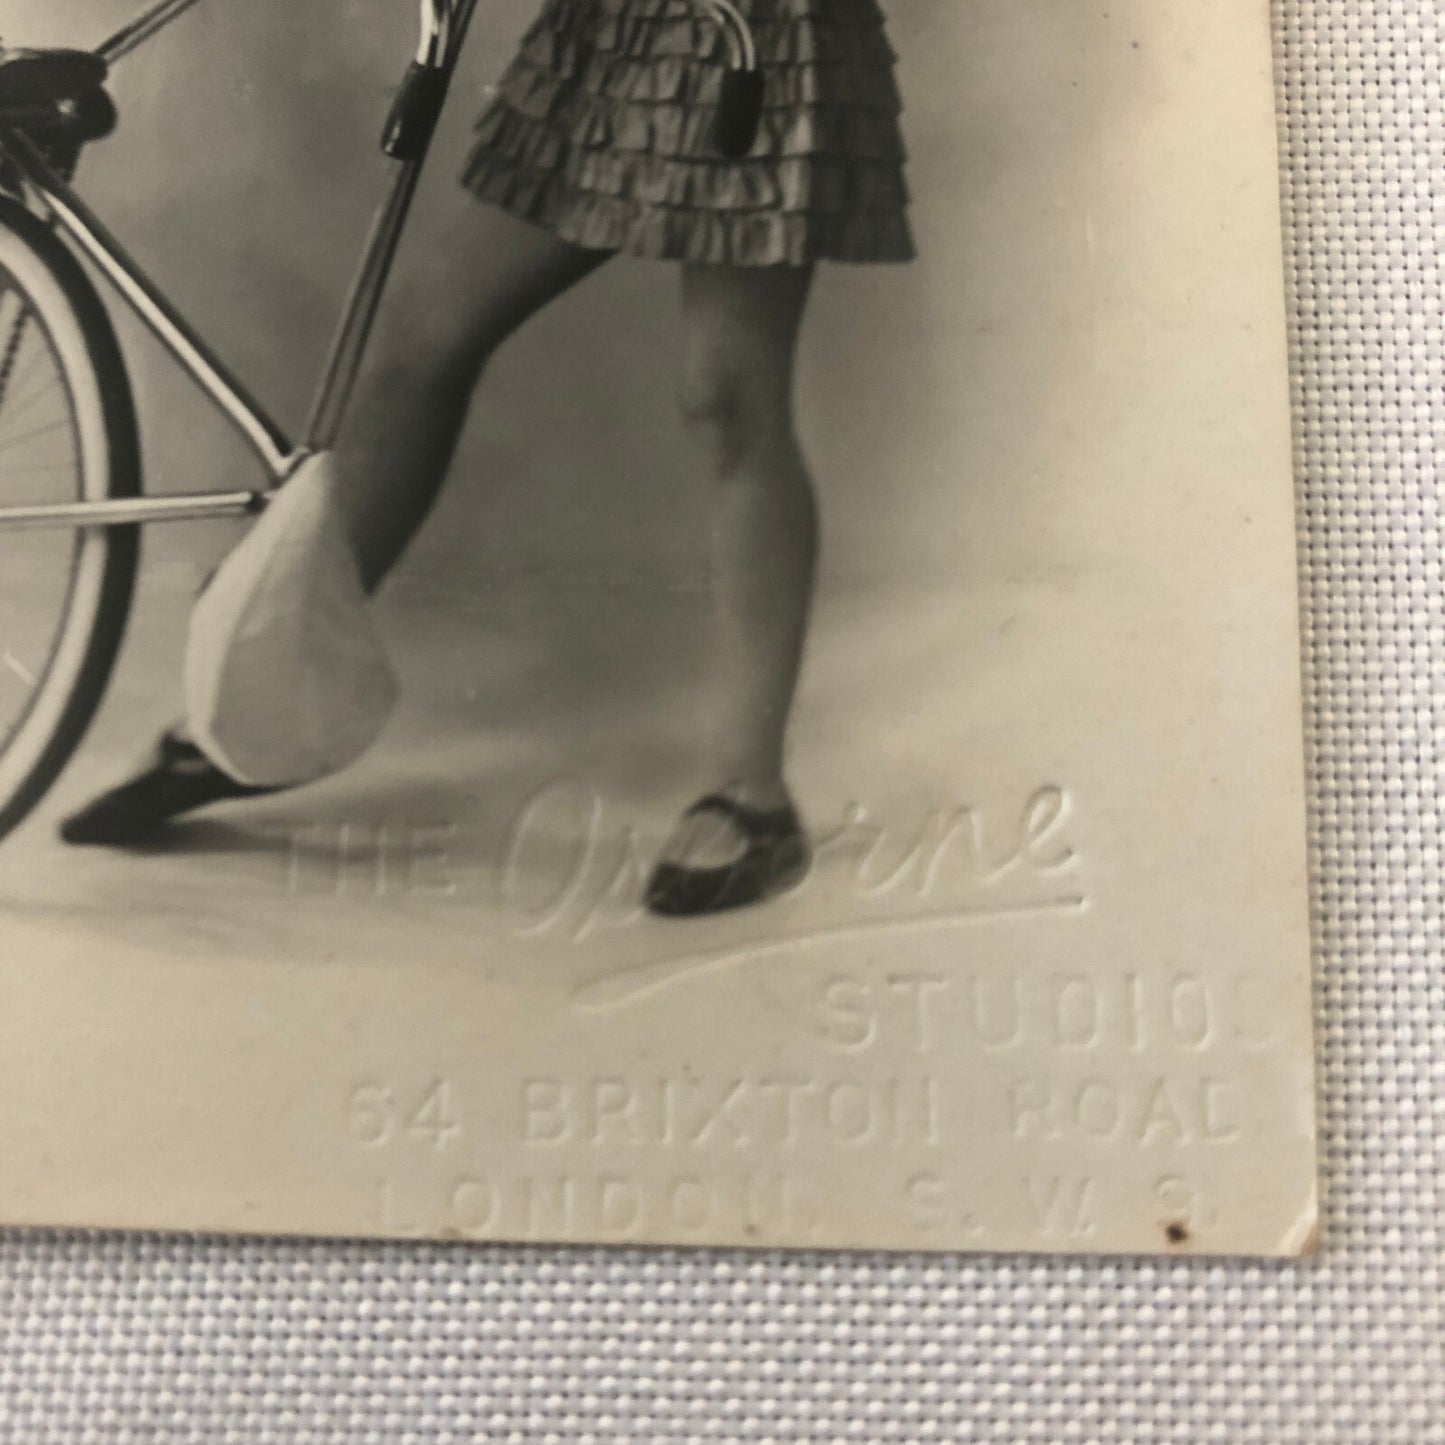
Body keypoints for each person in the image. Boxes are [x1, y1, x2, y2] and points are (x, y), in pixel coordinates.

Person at [59, 0, 915, 916]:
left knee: (728, 398)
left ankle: (753, 800)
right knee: (418, 349)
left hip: (766, 33)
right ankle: (253, 708)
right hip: (618, 41)